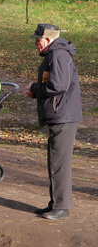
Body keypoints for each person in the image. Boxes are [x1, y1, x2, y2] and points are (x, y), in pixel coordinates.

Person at [25, 23, 82, 221]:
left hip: (64, 116)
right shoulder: (55, 54)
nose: (35, 44)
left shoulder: (58, 55)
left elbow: (58, 85)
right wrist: (36, 92)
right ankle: (55, 203)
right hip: (60, 115)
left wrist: (35, 87)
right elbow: (54, 85)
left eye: (37, 40)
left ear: (48, 39)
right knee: (55, 160)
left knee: (60, 163)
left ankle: (62, 207)